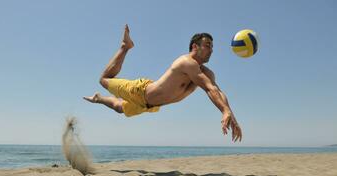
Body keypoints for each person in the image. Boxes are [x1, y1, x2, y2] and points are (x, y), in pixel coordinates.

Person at [84, 24, 242, 142]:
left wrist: (230, 115)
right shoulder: (187, 62)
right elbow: (209, 89)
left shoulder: (206, 72)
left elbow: (217, 91)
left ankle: (98, 98)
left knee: (120, 108)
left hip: (151, 105)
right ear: (195, 46)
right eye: (208, 45)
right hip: (140, 91)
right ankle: (125, 47)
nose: (212, 49)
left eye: (212, 47)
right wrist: (224, 111)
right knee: (104, 79)